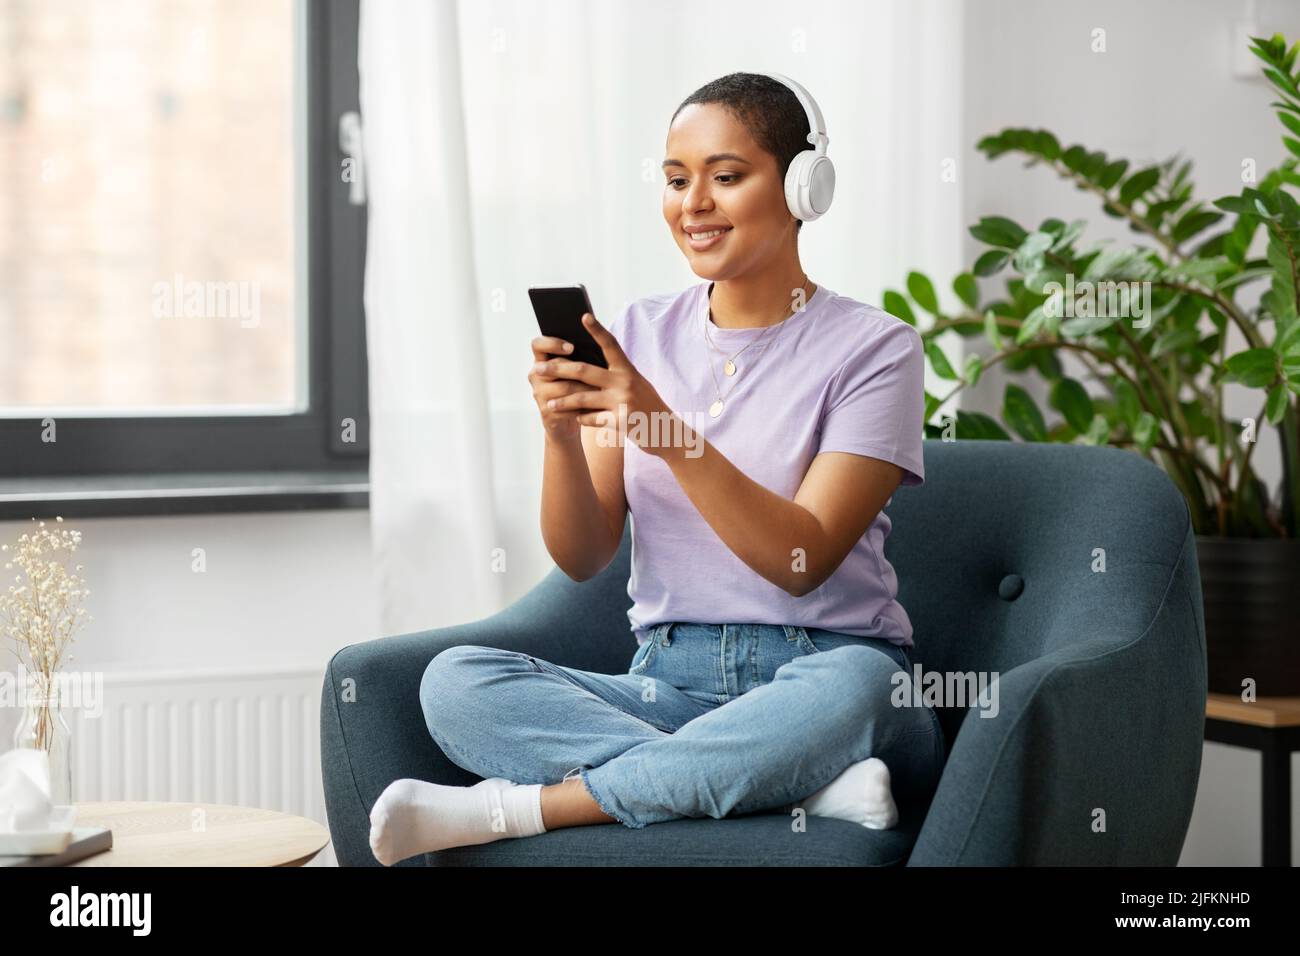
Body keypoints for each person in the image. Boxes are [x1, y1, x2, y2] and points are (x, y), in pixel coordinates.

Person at [368, 72, 944, 866]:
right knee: (456, 684)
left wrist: (657, 424)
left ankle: (530, 809)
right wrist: (562, 435)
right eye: (676, 180)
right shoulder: (638, 332)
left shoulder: (876, 349)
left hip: (826, 674)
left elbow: (799, 560)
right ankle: (790, 785)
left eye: (727, 176)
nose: (693, 203)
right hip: (663, 686)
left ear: (803, 186)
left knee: (861, 692)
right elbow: (582, 557)